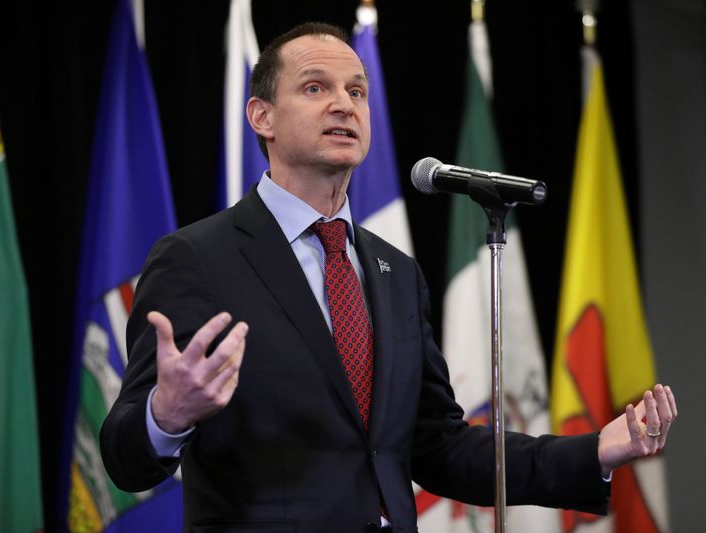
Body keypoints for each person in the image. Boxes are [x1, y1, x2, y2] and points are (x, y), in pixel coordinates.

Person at [100, 22, 677, 532]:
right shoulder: (197, 258)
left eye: (356, 91)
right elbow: (124, 457)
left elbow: (440, 447)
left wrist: (595, 451)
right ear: (262, 117)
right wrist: (165, 416)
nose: (344, 105)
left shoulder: (395, 273)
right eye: (315, 87)